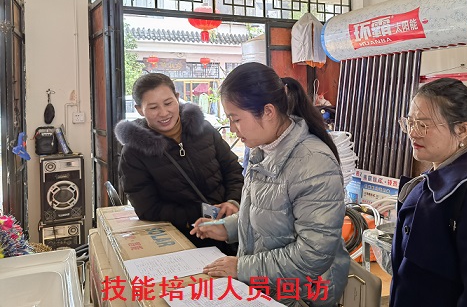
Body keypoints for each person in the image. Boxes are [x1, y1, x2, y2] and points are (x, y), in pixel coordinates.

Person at [190, 64, 350, 307]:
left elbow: (313, 255)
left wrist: (241, 267)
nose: (232, 128)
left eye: (236, 119)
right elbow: (266, 212)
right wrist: (227, 228)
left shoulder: (313, 163)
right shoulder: (263, 149)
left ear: (268, 111)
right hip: (266, 289)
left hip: (302, 296)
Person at [390, 78, 467, 307]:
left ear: (462, 130)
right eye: (410, 122)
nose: (413, 133)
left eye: (423, 125)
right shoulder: (437, 176)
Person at [114, 73, 244, 254]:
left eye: (168, 103)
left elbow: (233, 170)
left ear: (177, 98)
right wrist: (200, 214)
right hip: (186, 239)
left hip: (232, 229)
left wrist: (232, 202)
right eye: (153, 107)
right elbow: (148, 208)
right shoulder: (134, 153)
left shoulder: (204, 130)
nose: (163, 113)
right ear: (140, 110)